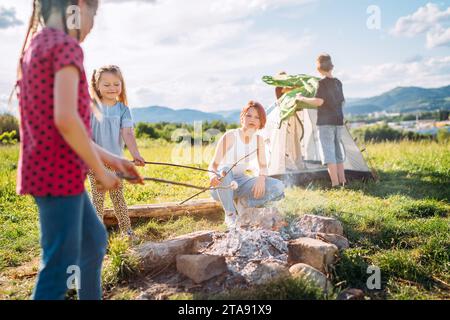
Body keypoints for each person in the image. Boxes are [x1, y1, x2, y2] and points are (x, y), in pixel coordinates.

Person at [15, 0, 143, 300]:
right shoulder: (66, 46)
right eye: (94, 14)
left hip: (46, 170)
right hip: (59, 174)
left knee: (94, 241)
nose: (92, 24)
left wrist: (114, 161)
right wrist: (101, 173)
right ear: (79, 6)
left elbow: (66, 125)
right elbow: (66, 119)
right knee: (59, 266)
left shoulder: (37, 45)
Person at [209, 101, 285, 228]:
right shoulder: (230, 136)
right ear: (242, 118)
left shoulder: (259, 140)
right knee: (225, 170)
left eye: (257, 117)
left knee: (278, 187)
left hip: (241, 182)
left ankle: (244, 202)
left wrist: (261, 179)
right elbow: (213, 165)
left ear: (261, 122)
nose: (252, 120)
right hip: (222, 184)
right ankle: (230, 214)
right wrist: (212, 176)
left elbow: (263, 167)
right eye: (249, 115)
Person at [89, 65, 145, 237]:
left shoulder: (123, 109)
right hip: (95, 161)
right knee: (98, 199)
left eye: (116, 84)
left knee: (118, 197)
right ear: (97, 86)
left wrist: (135, 154)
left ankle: (127, 232)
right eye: (106, 85)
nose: (112, 88)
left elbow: (127, 133)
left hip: (116, 162)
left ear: (122, 85)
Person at [296, 54, 346, 187]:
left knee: (329, 153)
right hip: (339, 121)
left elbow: (319, 101)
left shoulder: (321, 83)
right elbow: (342, 102)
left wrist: (301, 98)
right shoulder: (338, 82)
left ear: (318, 68)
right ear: (331, 66)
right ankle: (342, 181)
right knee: (338, 152)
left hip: (326, 123)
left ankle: (335, 184)